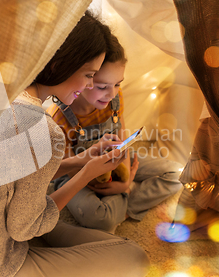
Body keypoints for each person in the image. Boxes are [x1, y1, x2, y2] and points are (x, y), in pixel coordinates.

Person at [0, 11, 149, 277]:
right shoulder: (40, 127)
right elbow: (23, 229)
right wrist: (85, 174)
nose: (88, 85)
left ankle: (48, 217)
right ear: (61, 62)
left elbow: (15, 171)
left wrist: (82, 160)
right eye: (89, 75)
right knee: (135, 258)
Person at [47, 33, 184, 233]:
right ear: (82, 79)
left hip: (115, 160)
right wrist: (110, 181)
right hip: (79, 175)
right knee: (99, 217)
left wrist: (126, 181)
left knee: (177, 173)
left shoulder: (113, 98)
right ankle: (118, 206)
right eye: (102, 87)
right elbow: (69, 169)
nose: (111, 93)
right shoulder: (60, 117)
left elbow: (122, 137)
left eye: (118, 83)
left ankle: (123, 207)